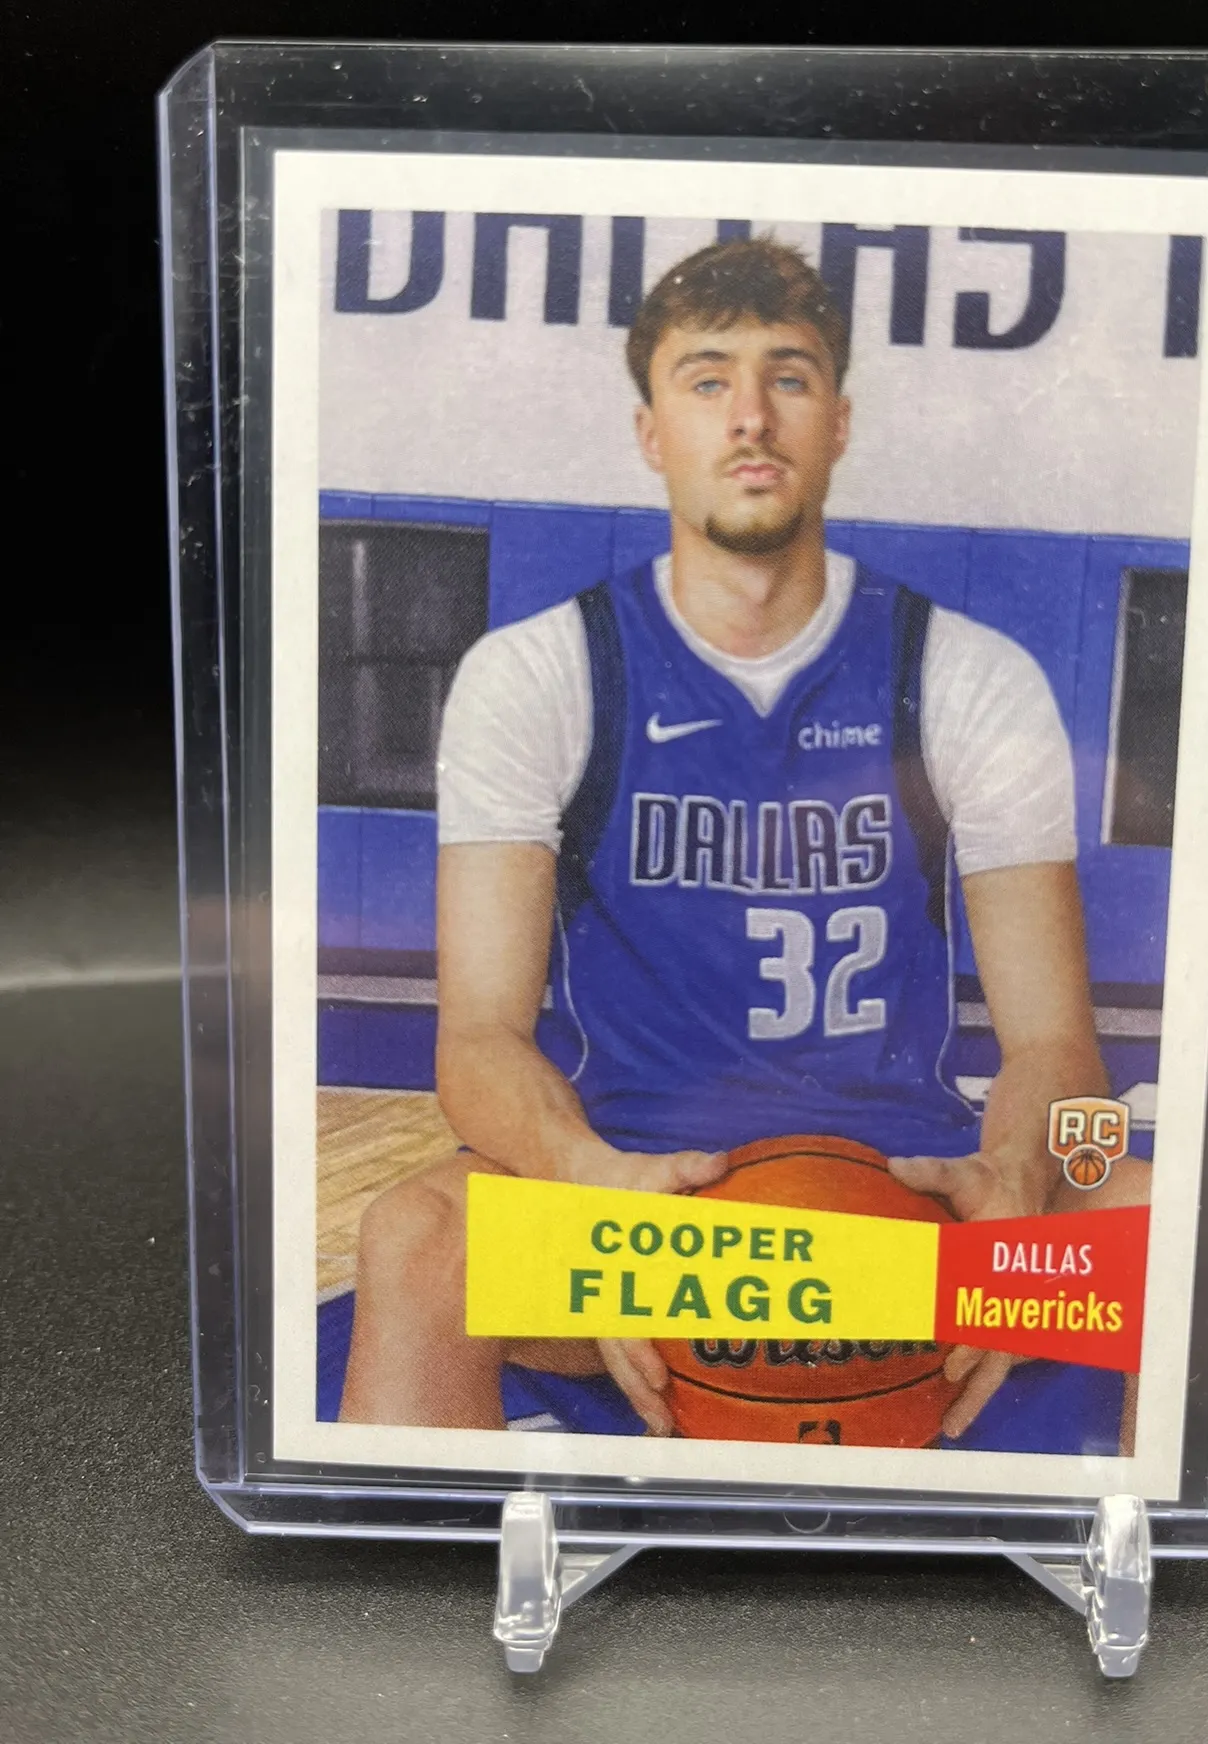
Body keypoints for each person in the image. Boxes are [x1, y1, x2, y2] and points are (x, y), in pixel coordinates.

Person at [340, 237, 1149, 1449]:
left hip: (907, 1218)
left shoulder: (966, 674)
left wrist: (1016, 1186)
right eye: (708, 378)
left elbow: (1052, 1043)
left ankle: (1132, 1547)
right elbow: (478, 1039)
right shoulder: (543, 672)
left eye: (791, 376)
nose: (752, 416)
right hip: (641, 1220)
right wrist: (591, 1188)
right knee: (420, 1238)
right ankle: (394, 1570)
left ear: (839, 422)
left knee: (1181, 1233)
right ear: (651, 430)